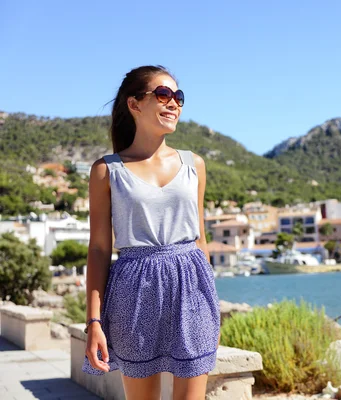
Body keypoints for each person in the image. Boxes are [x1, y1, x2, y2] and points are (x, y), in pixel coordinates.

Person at [82, 65, 220, 399]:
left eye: (179, 97)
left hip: (191, 288)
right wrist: (93, 323)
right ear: (134, 104)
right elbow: (100, 250)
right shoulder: (106, 170)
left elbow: (200, 239)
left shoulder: (194, 164)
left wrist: (211, 300)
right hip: (134, 292)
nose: (174, 103)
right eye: (163, 94)